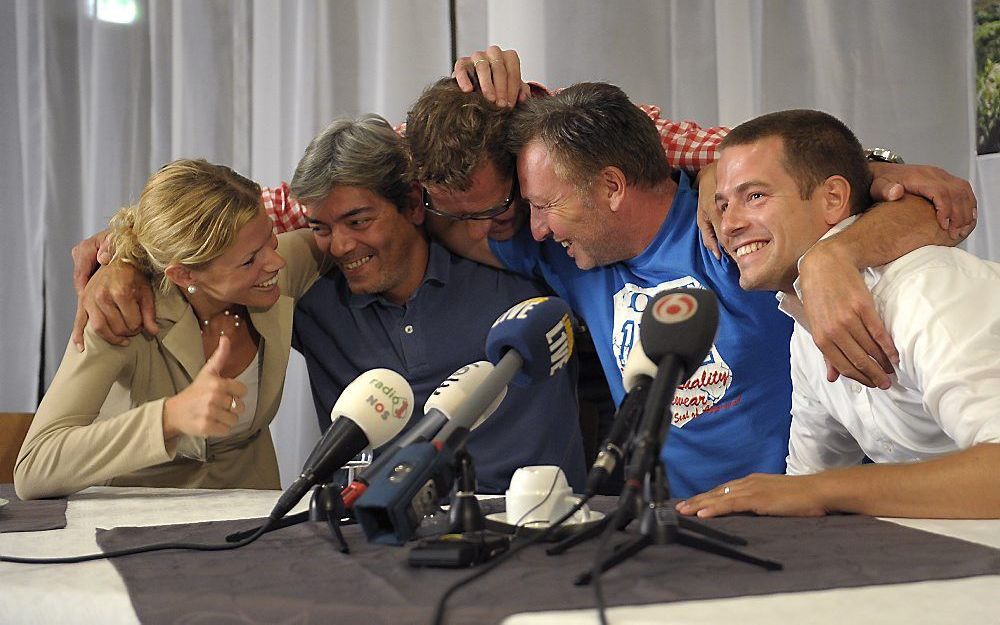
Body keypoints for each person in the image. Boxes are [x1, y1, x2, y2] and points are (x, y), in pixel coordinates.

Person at [430, 82, 975, 498]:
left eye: (546, 206)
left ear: (612, 187)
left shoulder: (742, 233)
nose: (537, 226)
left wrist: (837, 251)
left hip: (785, 521)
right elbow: (446, 217)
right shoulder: (570, 253)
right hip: (665, 527)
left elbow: (937, 212)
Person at [74, 117, 587, 494]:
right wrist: (123, 260)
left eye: (358, 221)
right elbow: (206, 254)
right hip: (377, 538)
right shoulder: (305, 297)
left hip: (533, 528)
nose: (339, 246)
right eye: (320, 227)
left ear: (412, 205)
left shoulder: (527, 272)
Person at [675, 109, 1000, 519]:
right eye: (722, 206)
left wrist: (820, 491)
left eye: (754, 196)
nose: (730, 224)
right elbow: (806, 479)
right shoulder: (803, 324)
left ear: (832, 198)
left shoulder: (925, 291)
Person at [15, 159, 326, 500]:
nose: (276, 262)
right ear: (184, 275)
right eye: (249, 260)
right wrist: (168, 418)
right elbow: (34, 468)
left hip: (255, 531)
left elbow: (348, 227)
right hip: (135, 533)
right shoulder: (122, 312)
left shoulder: (278, 274)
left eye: (271, 238)